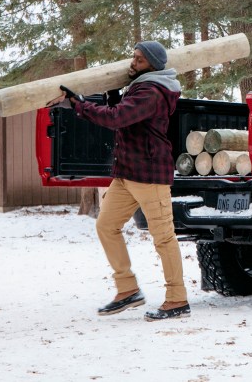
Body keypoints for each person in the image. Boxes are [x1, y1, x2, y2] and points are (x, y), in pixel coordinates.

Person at [54, 40, 190, 320]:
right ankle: (128, 289)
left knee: (163, 237)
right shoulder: (141, 86)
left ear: (152, 64)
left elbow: (118, 118)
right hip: (128, 172)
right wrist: (113, 94)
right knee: (106, 226)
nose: (133, 62)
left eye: (139, 59)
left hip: (150, 174)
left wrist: (80, 106)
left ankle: (177, 299)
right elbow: (126, 115)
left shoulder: (152, 91)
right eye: (133, 57)